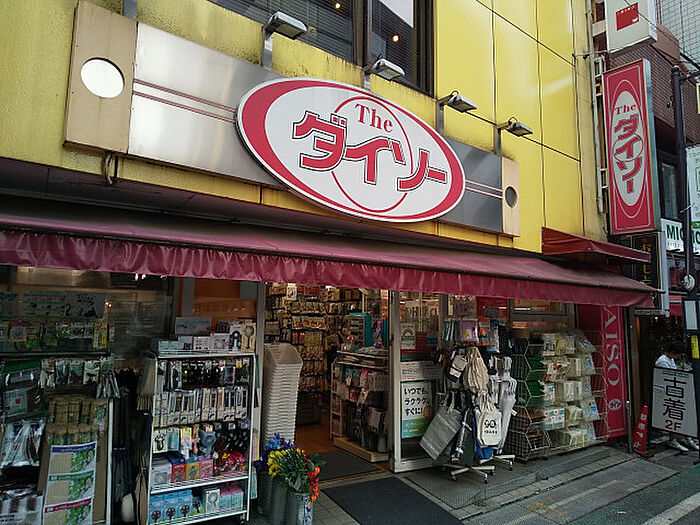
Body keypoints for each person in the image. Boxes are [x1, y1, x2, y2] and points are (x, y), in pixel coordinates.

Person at [656, 341, 699, 452]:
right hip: (668, 393)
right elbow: (668, 376)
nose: (678, 357)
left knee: (682, 415)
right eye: (678, 354)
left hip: (675, 390)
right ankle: (673, 439)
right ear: (672, 352)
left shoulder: (670, 359)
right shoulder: (662, 361)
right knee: (674, 416)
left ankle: (687, 437)